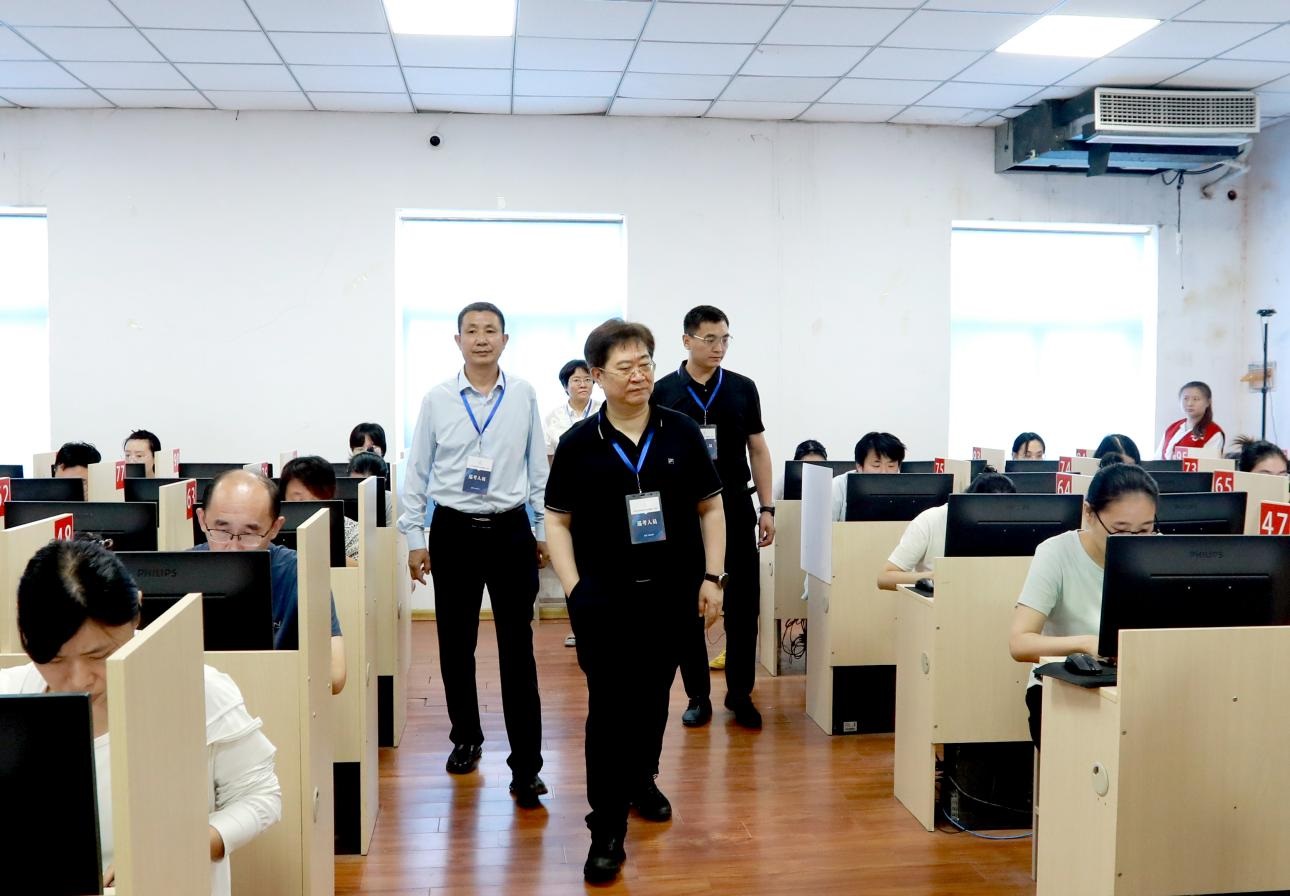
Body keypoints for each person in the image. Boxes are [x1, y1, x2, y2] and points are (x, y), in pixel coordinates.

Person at [545, 318, 725, 884]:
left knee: (652, 699)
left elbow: (711, 508)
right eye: (625, 367)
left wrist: (713, 577)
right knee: (608, 709)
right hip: (605, 598)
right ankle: (605, 828)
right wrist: (575, 589)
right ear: (598, 376)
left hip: (673, 594)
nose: (639, 375)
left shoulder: (681, 432)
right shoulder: (579, 444)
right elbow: (556, 520)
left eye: (645, 363)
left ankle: (642, 779)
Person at [0, 538, 282, 895]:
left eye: (98, 655)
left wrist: (178, 846)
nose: (79, 679)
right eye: (54, 660)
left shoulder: (195, 690)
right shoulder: (10, 694)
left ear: (135, 613)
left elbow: (261, 796)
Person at [398, 301, 548, 808]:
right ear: (457, 340)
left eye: (490, 330)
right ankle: (466, 736)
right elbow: (417, 472)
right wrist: (415, 539)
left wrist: (541, 529)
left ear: (505, 339)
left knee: (517, 648)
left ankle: (526, 766)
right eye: (472, 330)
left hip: (510, 531)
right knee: (455, 643)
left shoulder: (524, 394)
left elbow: (537, 468)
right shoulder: (437, 399)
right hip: (454, 531)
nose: (481, 338)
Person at [651, 305, 774, 730]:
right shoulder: (663, 391)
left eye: (724, 339)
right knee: (688, 607)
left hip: (735, 507)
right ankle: (697, 696)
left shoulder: (742, 388)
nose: (718, 347)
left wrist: (767, 507)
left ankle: (740, 694)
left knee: (743, 606)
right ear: (686, 340)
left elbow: (758, 449)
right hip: (684, 514)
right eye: (709, 339)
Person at [1007, 464, 1159, 748]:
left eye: (1145, 531)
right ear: (1089, 513)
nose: (1133, 543)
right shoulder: (1056, 553)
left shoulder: (1161, 553)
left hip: (1140, 686)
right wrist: (1088, 644)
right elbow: (1020, 643)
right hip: (1063, 689)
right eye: (1120, 531)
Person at [194, 469, 347, 695]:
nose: (234, 548)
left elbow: (335, 676)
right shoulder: (182, 573)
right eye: (222, 531)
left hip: (279, 700)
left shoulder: (300, 571)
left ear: (275, 528)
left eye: (249, 534)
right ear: (202, 519)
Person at [877, 471, 1016, 591]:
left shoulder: (1012, 527)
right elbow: (884, 578)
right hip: (940, 604)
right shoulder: (930, 520)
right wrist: (930, 577)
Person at [280, 455, 360, 564]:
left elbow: (362, 570)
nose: (306, 509)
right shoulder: (272, 530)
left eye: (315, 501)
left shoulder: (352, 532)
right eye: (298, 500)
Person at [831, 431, 906, 522]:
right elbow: (826, 527)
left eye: (891, 466)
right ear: (859, 466)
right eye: (876, 466)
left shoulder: (906, 488)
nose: (884, 472)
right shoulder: (837, 486)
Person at [544, 359, 602, 466]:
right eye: (576, 380)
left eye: (587, 379)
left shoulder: (604, 412)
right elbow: (549, 456)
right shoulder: (553, 417)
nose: (583, 385)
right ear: (565, 386)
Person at [1158, 381, 1225, 460]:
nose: (1190, 403)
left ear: (1208, 402)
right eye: (1185, 398)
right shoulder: (1172, 428)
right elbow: (1157, 458)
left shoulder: (1213, 432)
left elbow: (1208, 464)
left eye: (1196, 399)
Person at [348, 450, 395, 521]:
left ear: (382, 482)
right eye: (354, 483)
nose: (358, 490)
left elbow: (391, 528)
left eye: (364, 485)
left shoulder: (391, 501)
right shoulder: (341, 498)